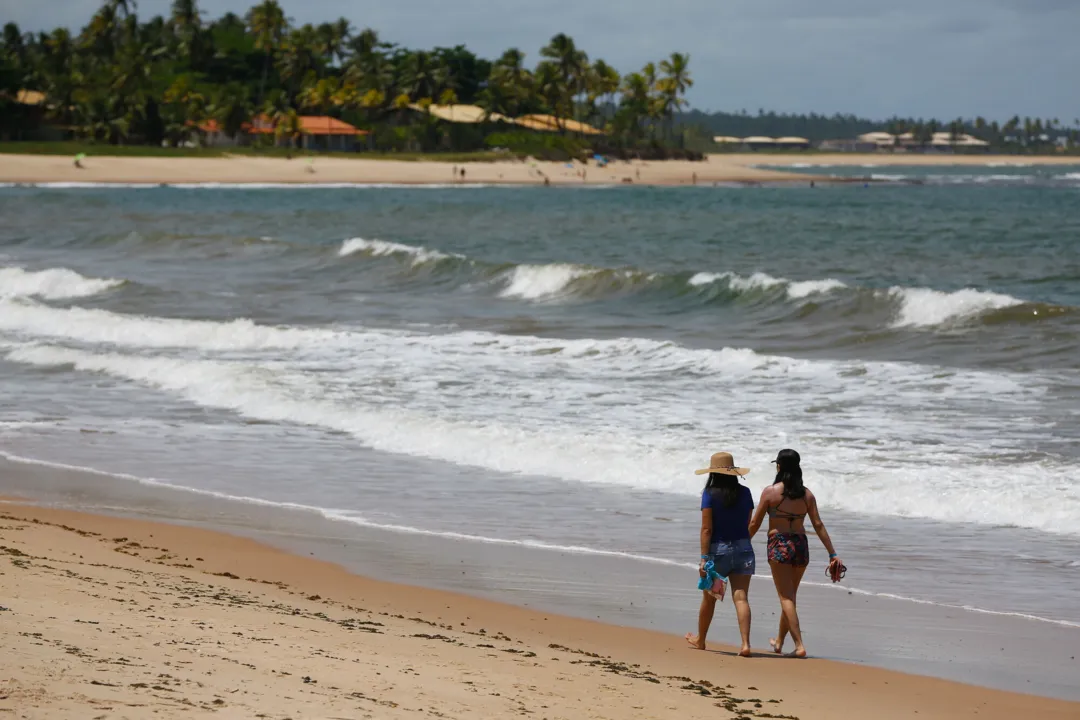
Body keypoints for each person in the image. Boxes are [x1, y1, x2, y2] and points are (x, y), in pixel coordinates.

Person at [748, 449, 842, 658]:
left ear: (779, 467)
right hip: (800, 545)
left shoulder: (771, 492)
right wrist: (832, 553)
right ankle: (779, 641)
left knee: (785, 597)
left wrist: (744, 543)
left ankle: (799, 645)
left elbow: (755, 522)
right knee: (790, 596)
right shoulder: (807, 494)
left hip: (779, 544)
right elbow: (817, 524)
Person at [685, 451, 755, 657]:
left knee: (709, 598)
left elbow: (706, 528)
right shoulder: (746, 492)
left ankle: (701, 640)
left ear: (713, 473)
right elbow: (747, 522)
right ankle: (745, 644)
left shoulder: (709, 494)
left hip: (718, 551)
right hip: (744, 548)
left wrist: (704, 558)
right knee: (741, 597)